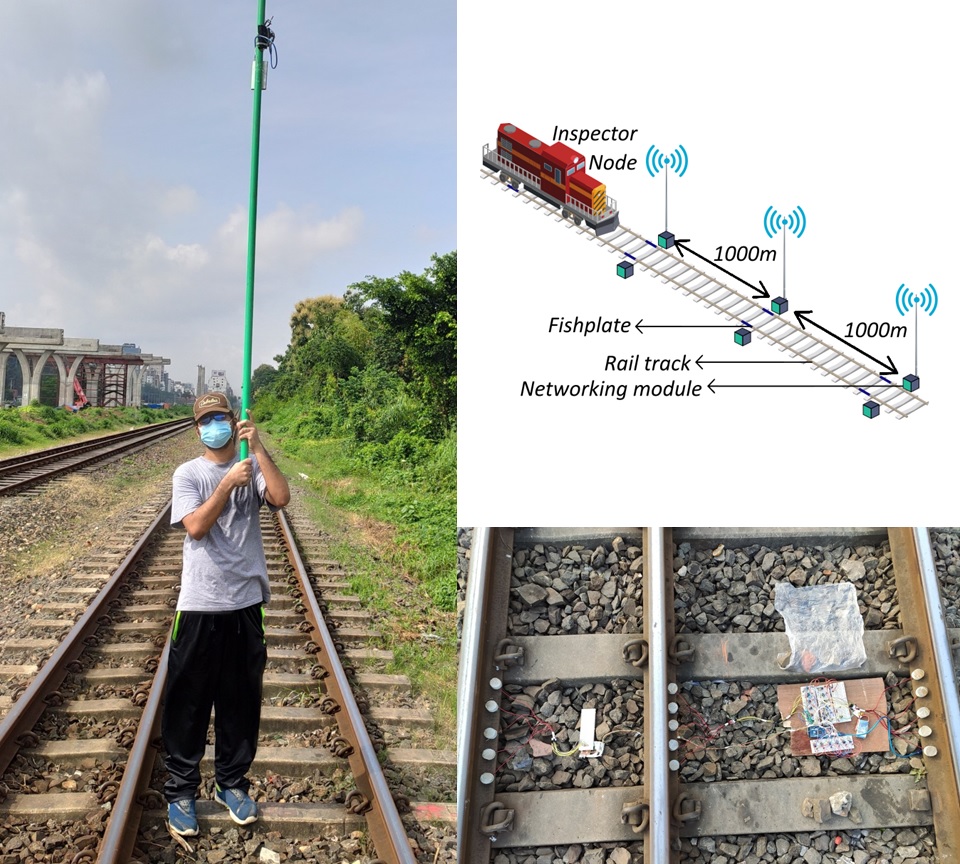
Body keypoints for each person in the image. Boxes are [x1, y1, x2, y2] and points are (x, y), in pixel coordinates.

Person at [163, 392, 291, 837]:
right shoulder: (189, 473)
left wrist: (257, 449)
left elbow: (281, 497)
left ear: (233, 422)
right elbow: (195, 527)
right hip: (199, 603)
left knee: (240, 702)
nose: (212, 425)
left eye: (220, 417)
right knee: (188, 702)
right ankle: (181, 791)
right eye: (205, 420)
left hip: (245, 604)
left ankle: (231, 784)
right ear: (196, 428)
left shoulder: (251, 465)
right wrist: (225, 485)